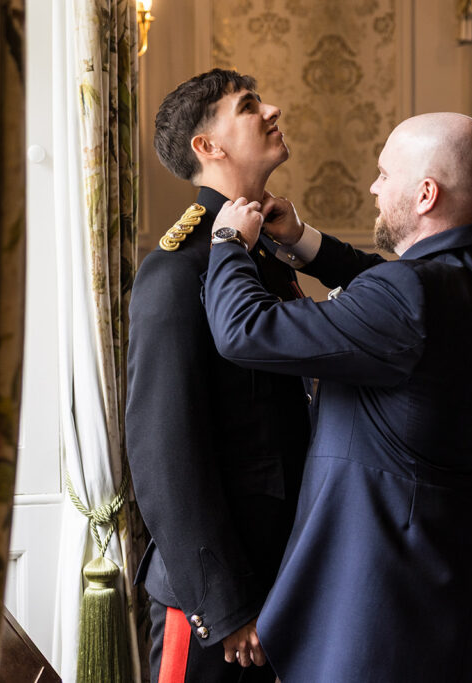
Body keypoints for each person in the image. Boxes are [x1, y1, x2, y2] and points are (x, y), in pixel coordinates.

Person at [202, 112, 472, 682]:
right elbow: (389, 283)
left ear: (426, 194)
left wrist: (228, 241)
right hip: (457, 557)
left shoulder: (408, 297)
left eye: (383, 174)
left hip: (387, 582)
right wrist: (302, 240)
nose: (374, 188)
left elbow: (243, 330)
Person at [124, 69, 312, 683]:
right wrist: (223, 603)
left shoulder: (262, 255)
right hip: (215, 598)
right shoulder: (177, 270)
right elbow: (162, 450)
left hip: (280, 570)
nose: (272, 110)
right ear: (208, 147)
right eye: (249, 105)